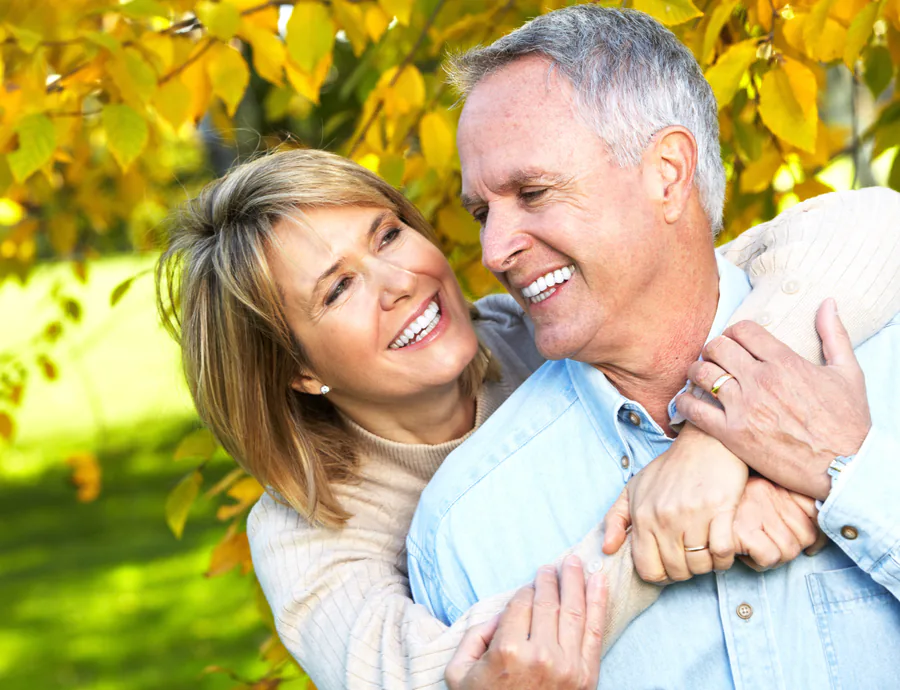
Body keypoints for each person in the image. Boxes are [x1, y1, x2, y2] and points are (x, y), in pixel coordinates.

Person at [406, 6, 900, 689]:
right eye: (485, 213)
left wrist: (852, 477)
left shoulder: (887, 354)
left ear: (667, 174)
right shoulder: (466, 525)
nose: (494, 251)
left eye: (534, 192)